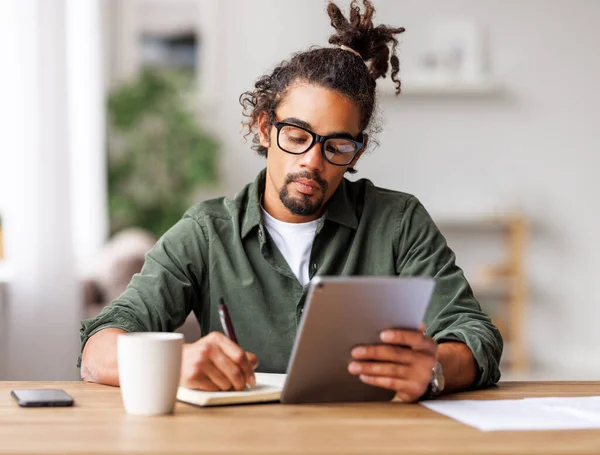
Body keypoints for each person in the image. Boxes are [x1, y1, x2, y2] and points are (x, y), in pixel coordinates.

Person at [79, 0, 502, 403]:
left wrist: (435, 369)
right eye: (297, 137)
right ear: (265, 129)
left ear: (356, 150)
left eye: (336, 146)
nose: (312, 162)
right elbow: (98, 349)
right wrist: (177, 363)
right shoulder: (207, 232)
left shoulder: (398, 221)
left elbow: (476, 335)